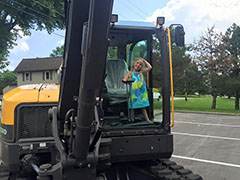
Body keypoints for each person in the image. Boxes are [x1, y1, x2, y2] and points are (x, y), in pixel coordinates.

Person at [122, 58, 152, 122]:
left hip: (142, 92)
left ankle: (147, 120)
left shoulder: (141, 72)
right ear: (134, 63)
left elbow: (149, 67)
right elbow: (125, 79)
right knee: (133, 107)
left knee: (143, 107)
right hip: (134, 93)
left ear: (141, 67)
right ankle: (131, 119)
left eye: (140, 64)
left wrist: (144, 60)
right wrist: (125, 80)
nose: (138, 65)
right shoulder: (130, 73)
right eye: (137, 63)